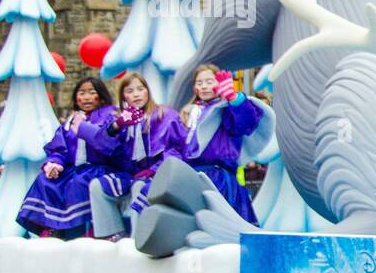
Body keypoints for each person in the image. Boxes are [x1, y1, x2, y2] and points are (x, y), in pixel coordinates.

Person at [17, 76, 127, 239]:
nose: (87, 97)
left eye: (92, 92)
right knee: (45, 181)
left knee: (78, 183)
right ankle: (52, 227)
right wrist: (55, 164)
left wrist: (84, 128)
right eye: (82, 93)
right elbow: (60, 149)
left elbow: (108, 144)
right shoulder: (70, 121)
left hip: (102, 168)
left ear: (101, 95)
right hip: (75, 169)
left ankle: (83, 229)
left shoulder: (110, 116)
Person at [89, 72, 188, 239]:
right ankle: (112, 234)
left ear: (147, 91)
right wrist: (116, 126)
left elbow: (176, 150)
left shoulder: (165, 116)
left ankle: (139, 238)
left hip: (157, 174)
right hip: (128, 175)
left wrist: (154, 170)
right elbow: (103, 147)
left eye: (140, 89)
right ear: (123, 96)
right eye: (130, 90)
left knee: (139, 188)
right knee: (97, 186)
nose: (136, 94)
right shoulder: (118, 119)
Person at [180, 65, 266, 224]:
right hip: (193, 178)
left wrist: (234, 99)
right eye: (199, 83)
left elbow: (246, 123)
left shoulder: (225, 111)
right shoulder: (191, 113)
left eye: (209, 81)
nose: (204, 86)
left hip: (220, 179)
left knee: (224, 226)